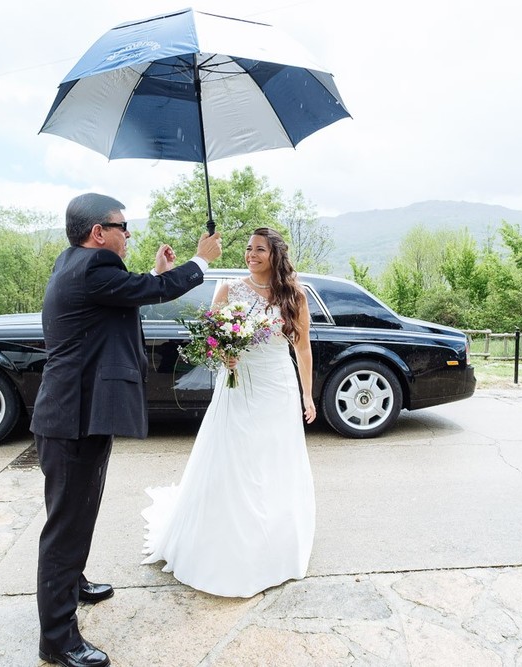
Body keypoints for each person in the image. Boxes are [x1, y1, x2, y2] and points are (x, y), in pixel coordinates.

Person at [31, 193, 221, 667]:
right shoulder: (95, 270)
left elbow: (132, 290)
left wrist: (154, 273)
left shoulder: (76, 264)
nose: (128, 234)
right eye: (123, 226)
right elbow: (150, 292)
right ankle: (57, 640)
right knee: (65, 526)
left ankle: (72, 585)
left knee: (78, 513)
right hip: (73, 419)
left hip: (77, 414)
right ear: (99, 232)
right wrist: (202, 259)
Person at [141, 227, 317, 598]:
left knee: (272, 460)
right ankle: (229, 542)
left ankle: (275, 541)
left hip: (278, 387)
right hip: (238, 385)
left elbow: (302, 349)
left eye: (260, 249)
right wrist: (225, 354)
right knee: (235, 458)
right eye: (249, 249)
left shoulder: (294, 296)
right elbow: (212, 339)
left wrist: (307, 395)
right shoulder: (228, 290)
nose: (251, 254)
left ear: (275, 255)